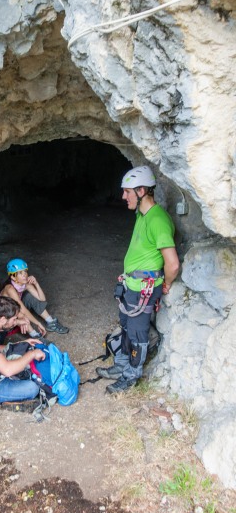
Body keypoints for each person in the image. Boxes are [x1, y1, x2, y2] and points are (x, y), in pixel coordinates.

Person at [97, 165, 180, 394]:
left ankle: (131, 376)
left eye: (127, 191)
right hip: (131, 284)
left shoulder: (157, 220)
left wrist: (167, 284)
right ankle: (121, 365)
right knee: (125, 325)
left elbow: (172, 263)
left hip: (144, 289)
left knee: (137, 333)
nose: (123, 196)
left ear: (141, 190)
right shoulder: (142, 214)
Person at [0, 258, 69, 337]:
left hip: (17, 309)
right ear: (13, 277)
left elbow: (42, 299)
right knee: (18, 311)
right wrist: (38, 323)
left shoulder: (25, 284)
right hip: (7, 316)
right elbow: (22, 309)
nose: (24, 275)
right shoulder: (9, 288)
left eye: (25, 271)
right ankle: (35, 335)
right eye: (20, 273)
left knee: (29, 296)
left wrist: (36, 283)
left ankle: (51, 322)